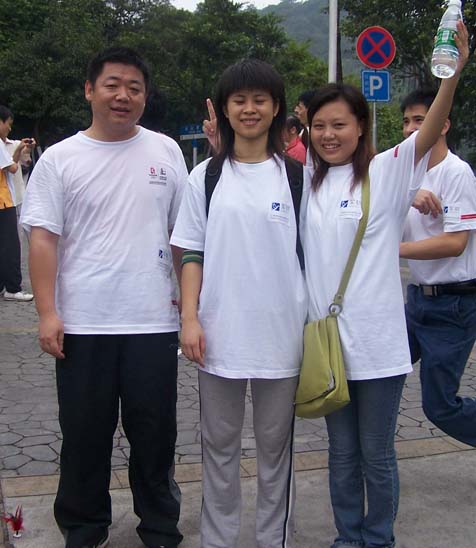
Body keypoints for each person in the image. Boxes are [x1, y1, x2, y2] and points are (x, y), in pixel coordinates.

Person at [301, 22, 469, 548]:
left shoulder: (385, 171)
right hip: (328, 345)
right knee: (341, 453)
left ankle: (378, 539)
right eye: (319, 126)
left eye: (340, 124)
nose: (329, 134)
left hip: (378, 346)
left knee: (376, 454)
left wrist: (452, 75)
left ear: (360, 127)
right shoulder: (305, 181)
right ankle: (347, 537)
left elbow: (428, 131)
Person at [21, 47, 188, 548]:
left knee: (155, 433)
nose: (123, 96)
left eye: (135, 88)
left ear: (145, 97)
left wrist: (191, 305)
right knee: (84, 434)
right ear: (90, 90)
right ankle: (85, 525)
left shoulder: (166, 151)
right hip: (83, 322)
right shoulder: (60, 158)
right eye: (112, 85)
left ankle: (159, 525)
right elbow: (43, 239)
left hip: (153, 321)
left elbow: (183, 235)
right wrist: (47, 313)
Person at [171, 59, 307, 548]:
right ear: (225, 109)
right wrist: (190, 318)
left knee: (276, 451)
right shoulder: (205, 177)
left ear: (276, 108)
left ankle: (275, 539)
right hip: (219, 336)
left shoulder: (299, 177)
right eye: (239, 100)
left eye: (260, 100)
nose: (250, 109)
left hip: (283, 338)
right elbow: (191, 252)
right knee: (219, 448)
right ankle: (219, 539)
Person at [400, 88, 476, 447]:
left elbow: (455, 242)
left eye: (420, 119)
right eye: (407, 121)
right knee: (376, 370)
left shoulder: (457, 173)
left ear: (442, 124)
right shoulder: (406, 175)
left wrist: (394, 250)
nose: (410, 128)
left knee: (440, 406)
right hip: (416, 301)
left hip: (453, 306)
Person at [0, 105, 34, 301]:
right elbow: (12, 168)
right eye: (8, 124)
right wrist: (19, 149)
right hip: (3, 201)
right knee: (11, 245)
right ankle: (13, 288)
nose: (9, 128)